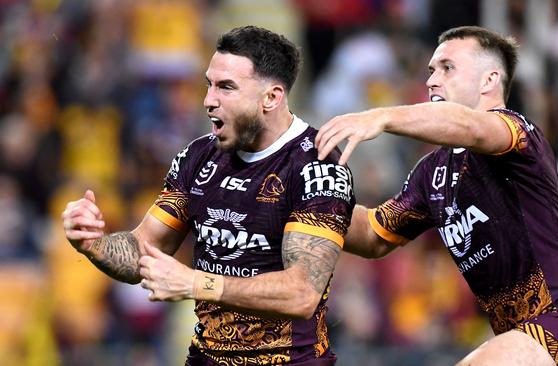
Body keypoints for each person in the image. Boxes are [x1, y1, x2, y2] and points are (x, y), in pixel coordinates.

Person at [315, 26, 558, 366]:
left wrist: (382, 115)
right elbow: (372, 234)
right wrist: (305, 206)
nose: (431, 80)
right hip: (516, 341)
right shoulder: (431, 174)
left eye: (447, 68)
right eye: (431, 70)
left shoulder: (517, 133)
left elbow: (473, 127)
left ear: (488, 80)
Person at [62, 26, 355, 366]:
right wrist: (94, 243)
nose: (208, 100)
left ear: (271, 98)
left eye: (226, 87)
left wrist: (196, 282)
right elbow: (143, 250)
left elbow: (302, 293)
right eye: (209, 84)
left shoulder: (316, 166)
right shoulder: (198, 157)